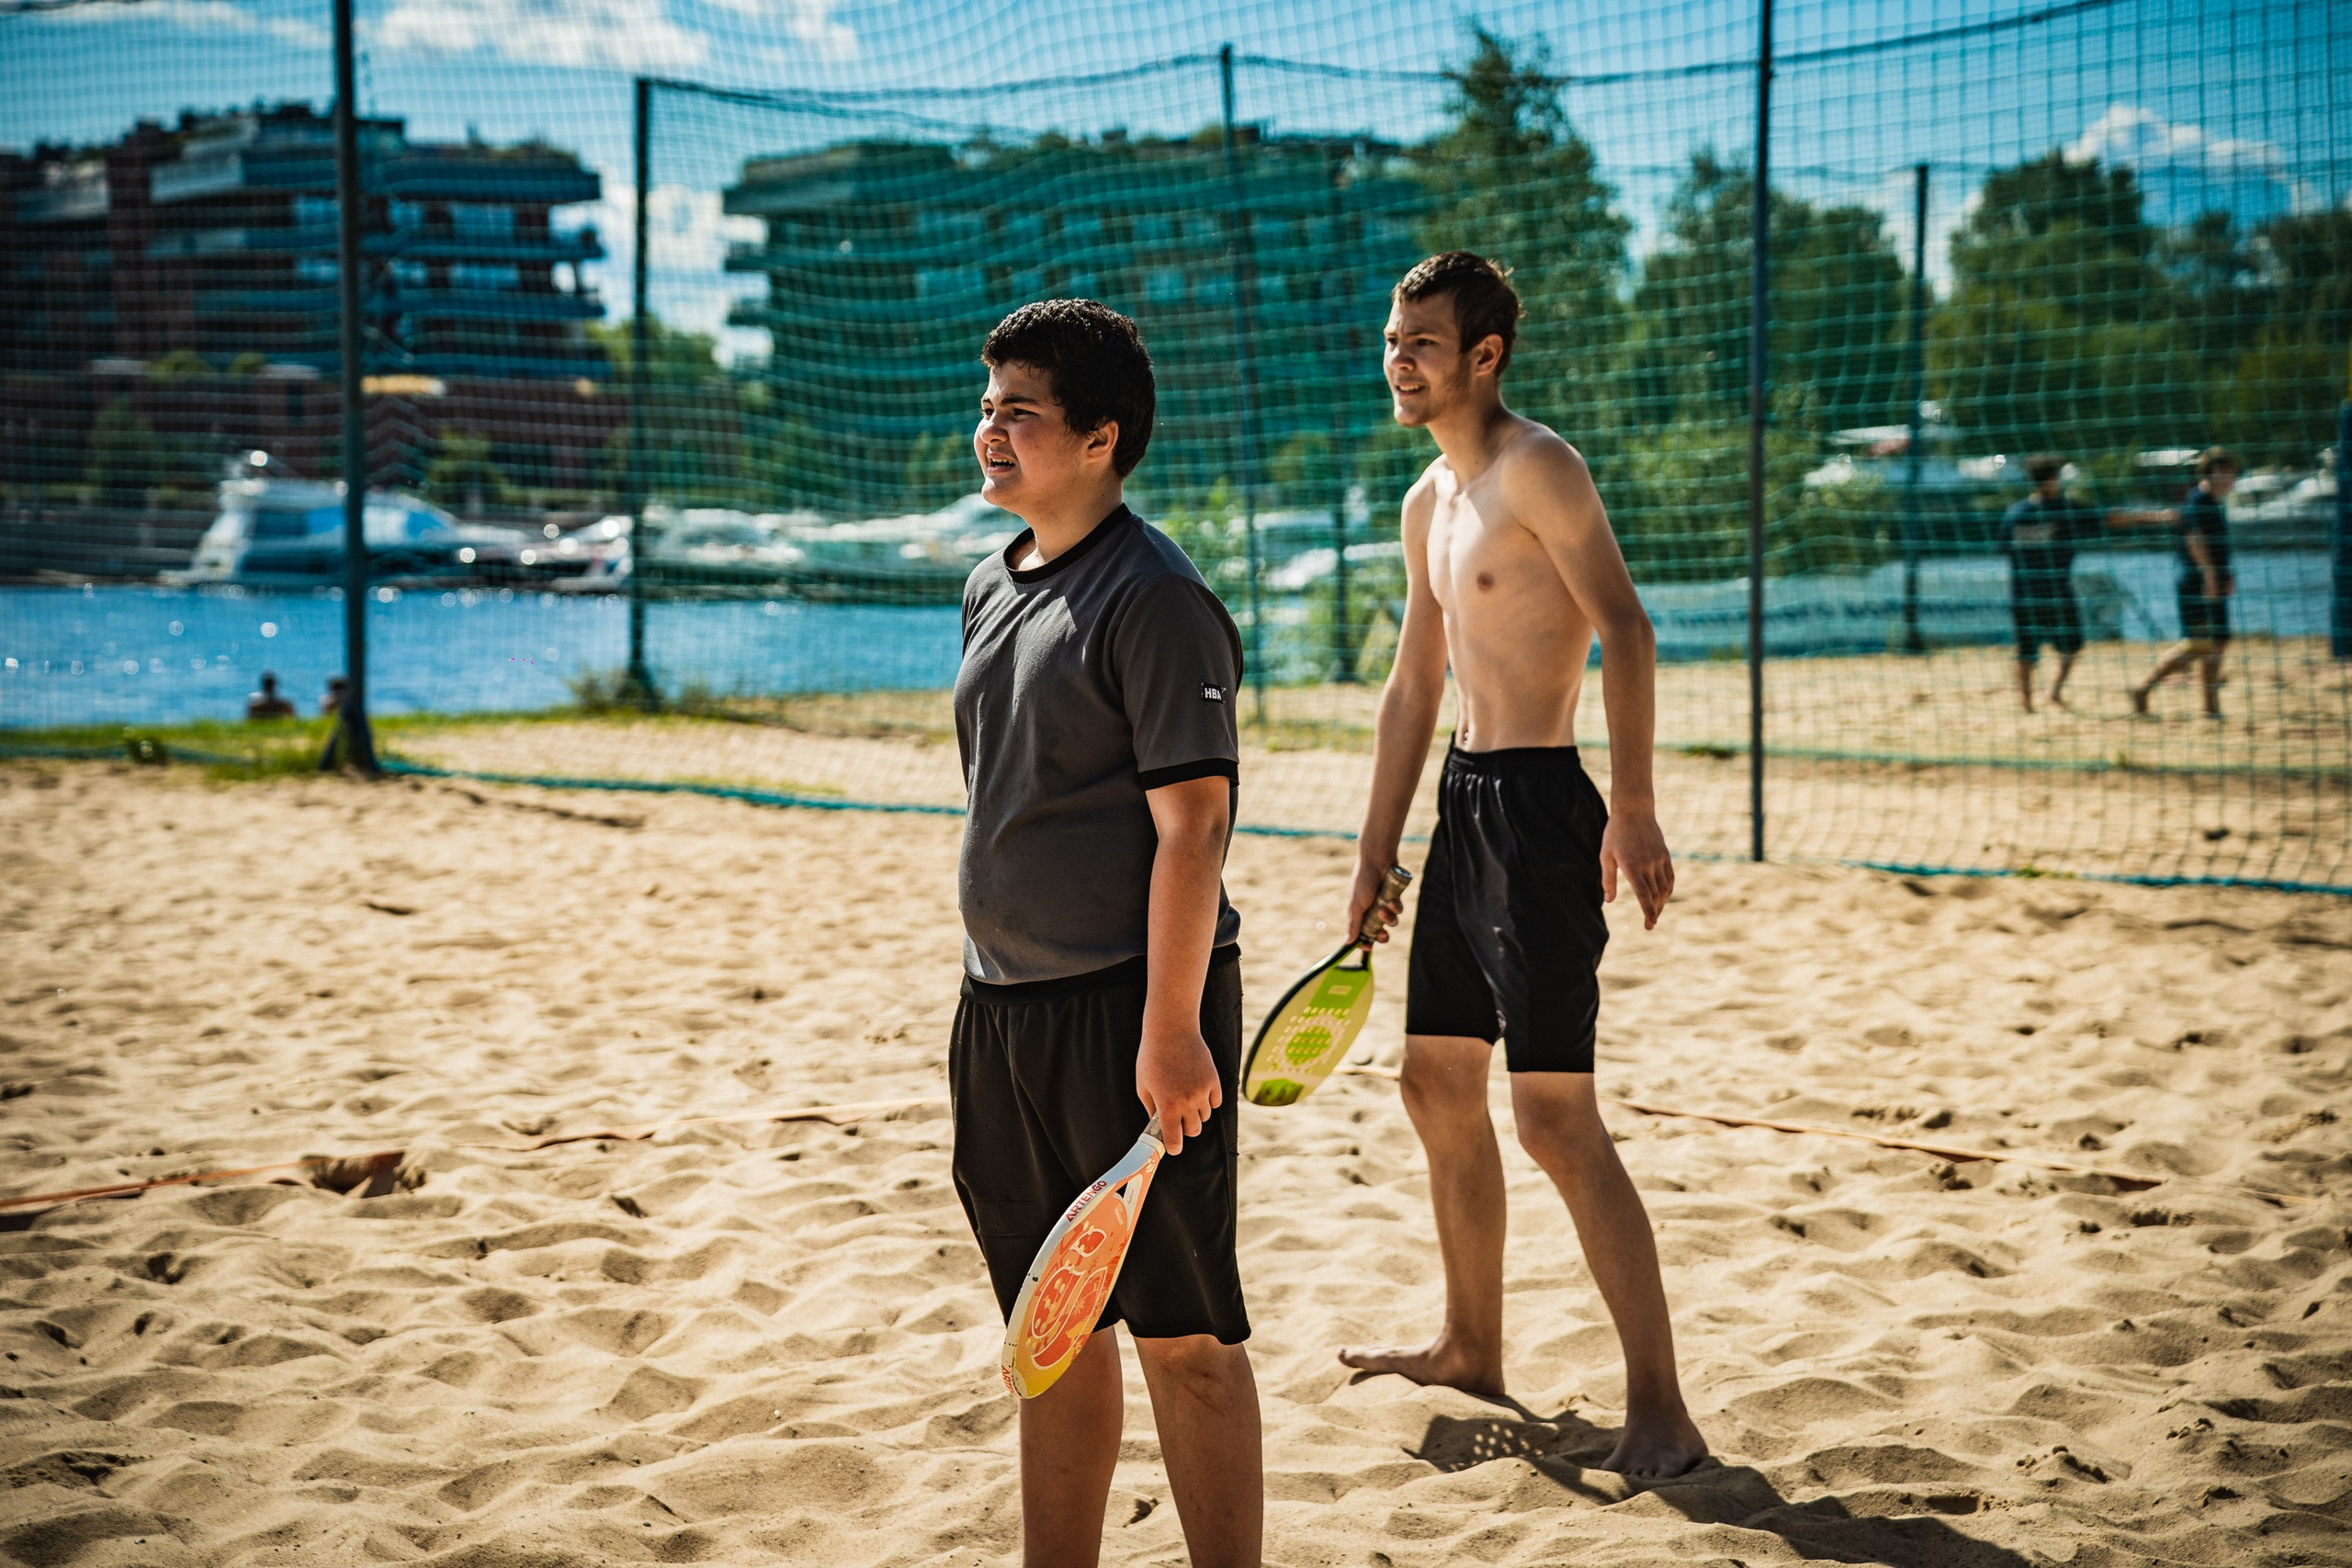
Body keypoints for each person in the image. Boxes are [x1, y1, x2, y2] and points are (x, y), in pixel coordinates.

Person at [1333, 252, 1705, 1481]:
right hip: (1463, 799)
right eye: (1393, 339)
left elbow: (1628, 627)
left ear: (1483, 355)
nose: (1400, 358)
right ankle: (1469, 1340)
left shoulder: (1538, 467)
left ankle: (1662, 1406)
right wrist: (1377, 844)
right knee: (1434, 1082)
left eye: (1422, 341)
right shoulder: (1427, 500)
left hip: (1547, 805)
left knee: (1553, 1114)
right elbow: (1412, 682)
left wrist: (1634, 807)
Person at [948, 299, 1261, 1567]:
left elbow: (1195, 829)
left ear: (1100, 436)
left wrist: (1175, 1028)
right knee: (1049, 1330)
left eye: (1020, 411)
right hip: (1001, 1012)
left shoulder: (1156, 595)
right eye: (989, 407)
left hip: (1136, 1011)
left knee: (1185, 1339)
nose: (991, 432)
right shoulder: (989, 579)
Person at [1998, 457, 2177, 713]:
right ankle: (2037, 699)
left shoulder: (2016, 513)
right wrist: (2157, 517)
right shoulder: (2058, 509)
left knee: (2056, 647)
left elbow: (2003, 550)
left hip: (2027, 593)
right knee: (2036, 650)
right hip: (2046, 593)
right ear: (2051, 479)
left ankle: (2040, 699)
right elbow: (2113, 518)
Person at [2130, 446, 2239, 718]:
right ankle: (2142, 687)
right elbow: (2195, 541)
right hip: (2197, 582)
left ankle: (2209, 705)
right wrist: (2210, 576)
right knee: (2199, 644)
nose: (2231, 479)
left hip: (2211, 578)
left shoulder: (2213, 502)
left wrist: (2226, 575)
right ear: (2211, 473)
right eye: (2226, 473)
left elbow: (2216, 546)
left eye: (2232, 474)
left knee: (2218, 641)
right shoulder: (2197, 501)